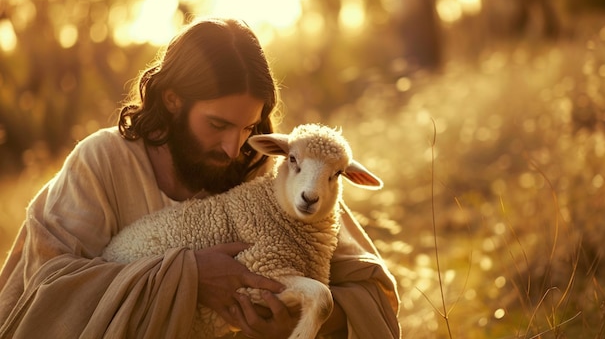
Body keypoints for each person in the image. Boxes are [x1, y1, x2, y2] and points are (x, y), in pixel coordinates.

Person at [0, 17, 401, 338]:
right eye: (217, 124)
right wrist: (185, 276)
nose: (233, 148)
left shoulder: (272, 174)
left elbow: (369, 292)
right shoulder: (103, 161)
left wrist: (297, 323)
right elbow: (46, 289)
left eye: (247, 128)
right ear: (173, 99)